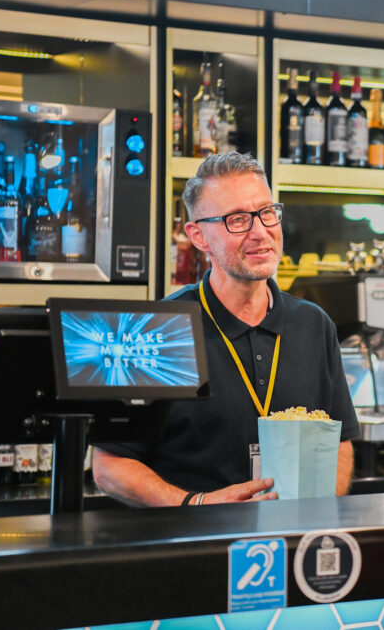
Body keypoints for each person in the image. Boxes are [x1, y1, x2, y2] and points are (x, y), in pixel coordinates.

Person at [94, 152, 360, 506]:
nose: (260, 232)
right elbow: (109, 466)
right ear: (199, 237)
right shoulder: (154, 331)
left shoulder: (314, 324)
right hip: (191, 548)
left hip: (290, 543)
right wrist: (198, 505)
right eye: (237, 220)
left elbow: (339, 443)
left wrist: (318, 514)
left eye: (267, 213)